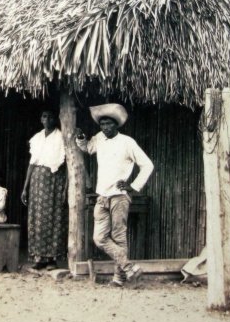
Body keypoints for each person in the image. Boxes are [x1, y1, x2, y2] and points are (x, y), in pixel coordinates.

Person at [75, 103, 154, 286]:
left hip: (119, 196)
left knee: (119, 237)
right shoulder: (99, 139)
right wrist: (80, 138)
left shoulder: (128, 142)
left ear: (116, 124)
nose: (105, 128)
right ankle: (129, 267)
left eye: (109, 124)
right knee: (99, 238)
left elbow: (147, 165)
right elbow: (88, 148)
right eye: (102, 124)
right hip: (102, 195)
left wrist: (133, 186)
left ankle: (119, 279)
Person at [21, 109, 66, 271]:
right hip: (37, 181)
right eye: (44, 116)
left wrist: (65, 188)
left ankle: (52, 259)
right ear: (41, 119)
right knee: (36, 218)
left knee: (54, 218)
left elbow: (65, 165)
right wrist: (25, 187)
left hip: (54, 180)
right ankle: (39, 257)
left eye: (50, 116)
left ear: (56, 119)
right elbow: (32, 164)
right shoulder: (37, 138)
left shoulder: (61, 137)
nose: (47, 119)